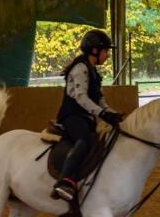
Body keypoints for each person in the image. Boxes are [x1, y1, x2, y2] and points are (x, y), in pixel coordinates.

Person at [51, 29, 123, 202]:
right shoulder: (81, 68)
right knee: (84, 139)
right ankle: (64, 181)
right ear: (94, 50)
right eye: (105, 51)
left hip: (85, 118)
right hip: (71, 116)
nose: (107, 55)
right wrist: (103, 114)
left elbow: (100, 101)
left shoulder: (94, 73)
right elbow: (81, 97)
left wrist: (114, 115)